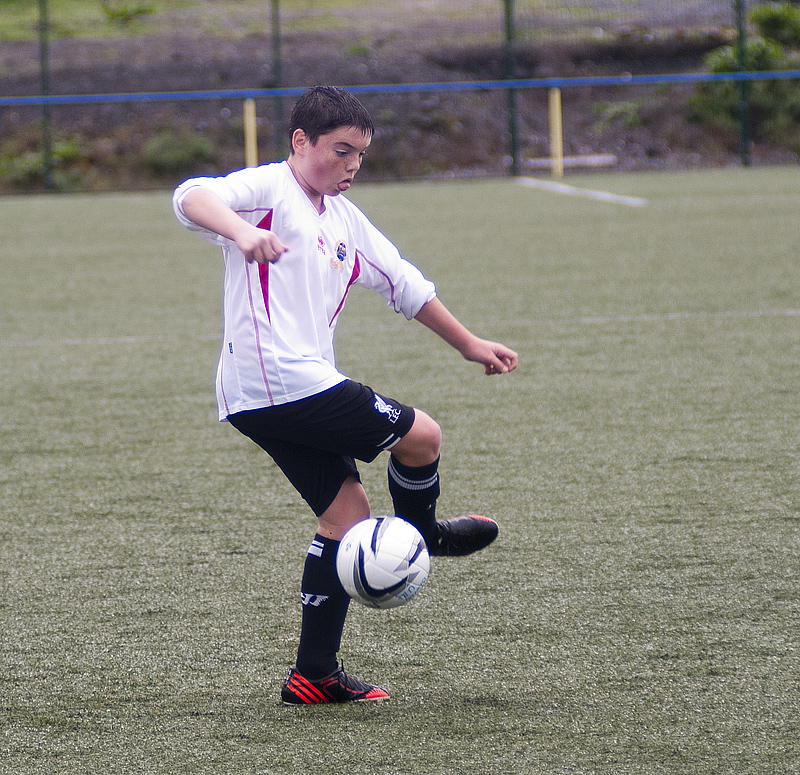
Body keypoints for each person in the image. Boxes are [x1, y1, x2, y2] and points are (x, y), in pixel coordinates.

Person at [173, 86, 518, 706]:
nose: (352, 164)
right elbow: (192, 196)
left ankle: (313, 676)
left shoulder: (343, 218)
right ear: (300, 141)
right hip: (281, 379)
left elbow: (404, 283)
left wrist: (469, 343)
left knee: (346, 519)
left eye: (360, 153)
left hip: (261, 392)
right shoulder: (270, 189)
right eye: (340, 150)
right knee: (422, 436)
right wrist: (242, 233)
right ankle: (425, 533)